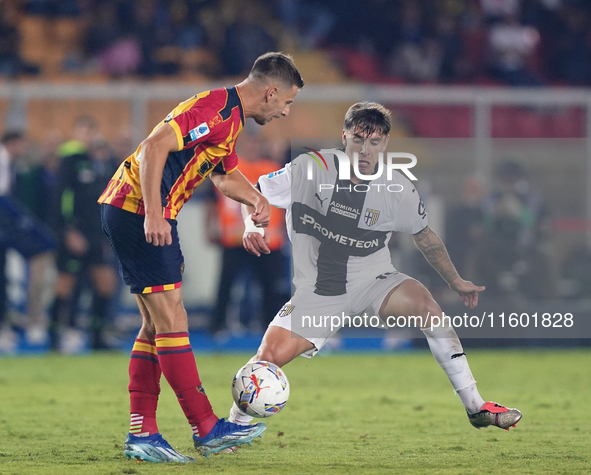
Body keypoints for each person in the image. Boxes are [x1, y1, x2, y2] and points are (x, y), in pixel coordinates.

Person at [228, 102, 522, 434]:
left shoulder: (397, 188)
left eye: (375, 142)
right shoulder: (310, 169)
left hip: (374, 279)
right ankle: (234, 428)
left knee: (428, 308)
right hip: (320, 292)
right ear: (344, 136)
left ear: (385, 144)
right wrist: (252, 228)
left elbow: (425, 238)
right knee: (267, 361)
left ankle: (476, 406)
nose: (365, 150)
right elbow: (253, 194)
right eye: (358, 139)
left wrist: (455, 280)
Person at [98, 52, 304, 462]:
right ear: (271, 91)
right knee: (172, 321)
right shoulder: (214, 107)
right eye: (288, 102)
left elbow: (225, 174)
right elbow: (153, 147)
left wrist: (256, 200)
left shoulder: (229, 119)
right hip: (139, 209)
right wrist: (155, 214)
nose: (285, 111)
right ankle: (205, 427)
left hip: (135, 208)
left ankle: (144, 433)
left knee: (156, 325)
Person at [206, 133, 289, 336]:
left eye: (255, 143)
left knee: (270, 288)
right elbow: (211, 201)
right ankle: (217, 326)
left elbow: (287, 203)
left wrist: (288, 231)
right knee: (226, 285)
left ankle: (271, 329)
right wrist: (209, 227)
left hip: (267, 239)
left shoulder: (273, 169)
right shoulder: (230, 169)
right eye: (249, 144)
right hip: (235, 239)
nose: (252, 148)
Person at [49, 117, 119, 353]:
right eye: (84, 131)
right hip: (74, 234)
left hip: (97, 234)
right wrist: (68, 230)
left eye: (92, 131)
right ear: (77, 133)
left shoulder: (102, 162)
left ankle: (97, 338)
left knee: (105, 285)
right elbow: (61, 197)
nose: (88, 135)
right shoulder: (69, 161)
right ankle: (54, 337)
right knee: (64, 286)